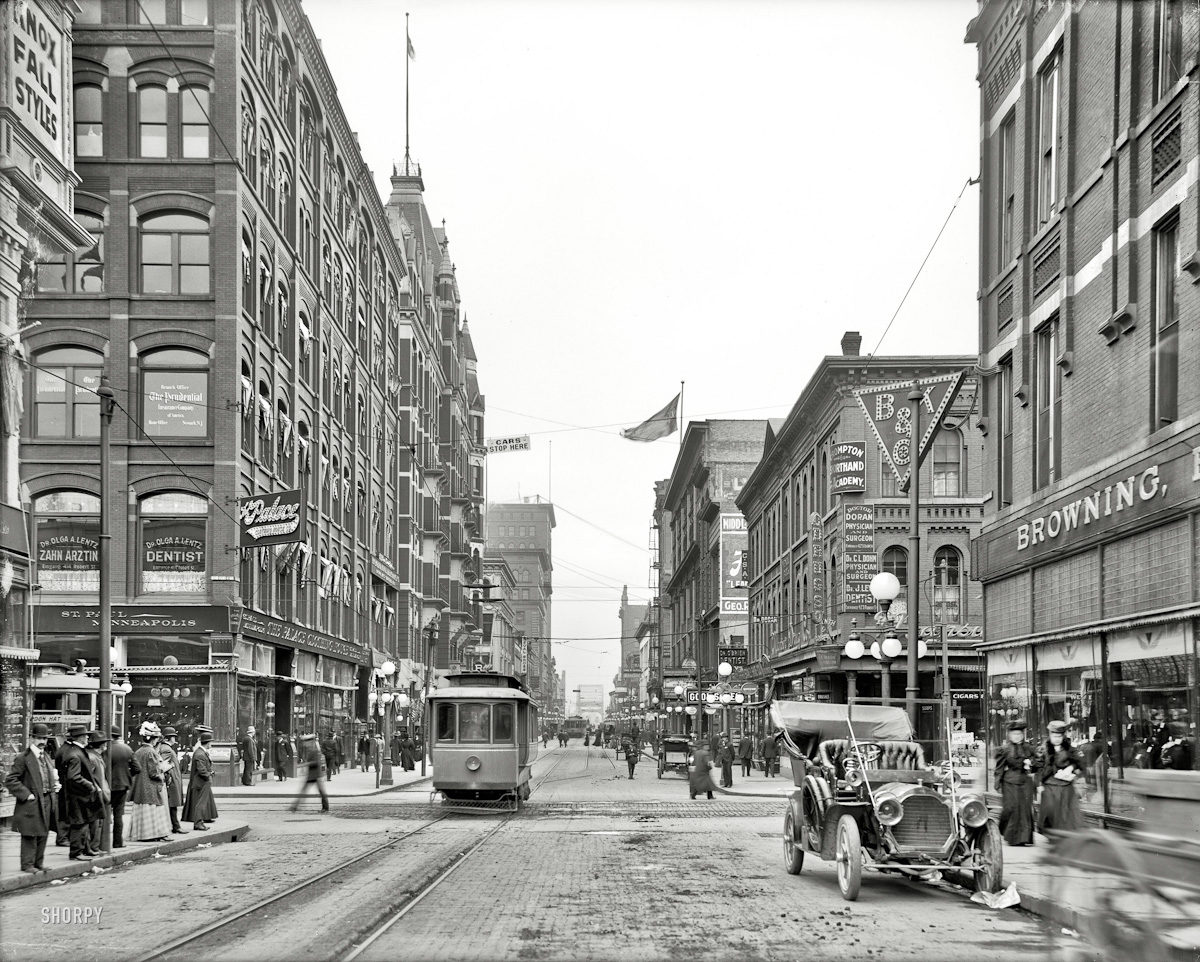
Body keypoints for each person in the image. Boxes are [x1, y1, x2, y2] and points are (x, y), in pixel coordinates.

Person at [4, 723, 58, 873]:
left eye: (44, 738)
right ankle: (28, 864)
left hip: (47, 799)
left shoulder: (45, 756)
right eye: (39, 738)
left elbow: (48, 775)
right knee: (30, 834)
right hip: (31, 801)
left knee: (43, 832)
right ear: (32, 738)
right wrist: (27, 794)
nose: (42, 741)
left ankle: (38, 863)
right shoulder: (23, 758)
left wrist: (55, 785)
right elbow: (11, 780)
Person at [55, 723, 102, 860]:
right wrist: (89, 785)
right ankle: (76, 852)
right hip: (78, 795)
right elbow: (74, 777)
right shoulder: (75, 754)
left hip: (80, 795)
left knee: (85, 822)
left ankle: (85, 849)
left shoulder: (74, 751)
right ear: (80, 737)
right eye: (85, 736)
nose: (87, 738)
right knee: (79, 823)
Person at [1036, 720, 1085, 835]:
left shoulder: (1070, 750)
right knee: (1051, 810)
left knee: (1066, 812)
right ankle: (1052, 834)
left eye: (1059, 736)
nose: (1057, 739)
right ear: (1050, 735)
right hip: (1050, 785)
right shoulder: (1043, 750)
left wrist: (1071, 768)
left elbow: (1079, 763)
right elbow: (1038, 768)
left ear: (1063, 736)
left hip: (1066, 786)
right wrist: (1039, 784)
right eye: (1054, 736)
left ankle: (1064, 835)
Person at [994, 720, 1036, 846]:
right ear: (1009, 735)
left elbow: (1039, 763)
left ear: (1023, 735)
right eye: (1014, 734)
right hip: (1009, 782)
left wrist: (1031, 765)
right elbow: (999, 768)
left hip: (1025, 781)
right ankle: (1009, 834)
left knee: (1024, 809)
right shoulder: (1004, 750)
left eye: (1019, 734)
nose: (1017, 736)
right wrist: (997, 783)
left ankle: (1023, 838)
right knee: (1010, 808)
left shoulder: (1029, 748)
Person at [129, 722, 171, 842]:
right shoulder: (151, 752)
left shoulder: (138, 752)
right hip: (151, 788)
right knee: (155, 811)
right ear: (153, 739)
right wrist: (162, 772)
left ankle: (141, 835)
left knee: (141, 810)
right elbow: (154, 772)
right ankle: (152, 834)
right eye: (156, 738)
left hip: (140, 788)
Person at [182, 727, 219, 831]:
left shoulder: (201, 752)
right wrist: (208, 775)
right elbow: (201, 770)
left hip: (202, 782)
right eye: (210, 742)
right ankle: (198, 823)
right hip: (201, 782)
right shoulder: (200, 753)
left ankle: (200, 822)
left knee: (201, 803)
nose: (211, 744)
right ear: (207, 743)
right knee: (200, 804)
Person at [84, 731, 111, 855]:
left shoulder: (94, 756)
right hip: (95, 794)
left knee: (97, 822)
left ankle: (94, 846)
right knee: (95, 823)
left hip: (98, 793)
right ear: (101, 745)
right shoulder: (92, 758)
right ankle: (93, 847)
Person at [108, 727, 136, 849]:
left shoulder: (105, 749)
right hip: (122, 786)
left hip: (106, 785)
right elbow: (137, 768)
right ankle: (117, 841)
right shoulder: (127, 749)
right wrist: (126, 776)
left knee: (102, 814)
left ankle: (98, 842)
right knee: (118, 815)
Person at [159, 727, 188, 834]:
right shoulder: (166, 749)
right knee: (173, 804)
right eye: (173, 737)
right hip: (171, 781)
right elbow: (162, 765)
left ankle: (175, 825)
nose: (175, 739)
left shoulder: (165, 747)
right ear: (169, 738)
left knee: (172, 805)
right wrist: (171, 766)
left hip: (172, 780)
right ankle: (176, 826)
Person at [291, 733, 330, 813]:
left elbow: (316, 762)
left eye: (306, 742)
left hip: (315, 774)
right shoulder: (311, 750)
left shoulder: (315, 750)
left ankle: (325, 808)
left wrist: (306, 764)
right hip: (312, 774)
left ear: (310, 742)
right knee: (305, 790)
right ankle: (295, 806)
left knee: (320, 791)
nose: (305, 744)